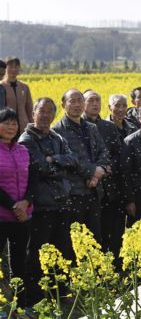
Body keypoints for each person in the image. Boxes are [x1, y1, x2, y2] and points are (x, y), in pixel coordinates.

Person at [18, 98, 79, 306]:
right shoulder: (27, 139)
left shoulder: (56, 137)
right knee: (37, 254)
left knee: (62, 251)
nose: (45, 116)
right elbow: (40, 169)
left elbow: (73, 160)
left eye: (49, 112)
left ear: (54, 115)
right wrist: (59, 164)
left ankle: (60, 294)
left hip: (61, 203)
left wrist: (54, 160)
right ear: (33, 112)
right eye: (41, 111)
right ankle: (35, 299)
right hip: (41, 205)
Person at [52, 89, 109, 243]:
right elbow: (67, 159)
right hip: (73, 193)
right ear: (63, 104)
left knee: (95, 238)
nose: (77, 105)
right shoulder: (57, 132)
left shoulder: (92, 127)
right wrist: (92, 171)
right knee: (73, 240)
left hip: (94, 192)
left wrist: (98, 174)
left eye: (80, 101)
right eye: (72, 101)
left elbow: (103, 152)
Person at [82, 90, 125, 255]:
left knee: (111, 230)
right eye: (90, 100)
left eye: (97, 100)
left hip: (109, 188)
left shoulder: (109, 127)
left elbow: (117, 153)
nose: (95, 104)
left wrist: (105, 169)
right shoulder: (79, 126)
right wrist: (93, 172)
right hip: (87, 188)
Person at [0, 108, 33, 304]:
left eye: (14, 123)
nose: (11, 127)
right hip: (2, 216)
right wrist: (14, 206)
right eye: (6, 123)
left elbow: (33, 179)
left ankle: (20, 305)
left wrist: (26, 202)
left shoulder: (23, 150)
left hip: (22, 217)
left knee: (20, 263)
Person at [1, 57, 33, 135]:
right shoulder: (1, 86)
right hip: (7, 127)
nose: (14, 69)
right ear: (5, 68)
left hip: (24, 126)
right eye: (11, 67)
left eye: (16, 67)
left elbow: (29, 109)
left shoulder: (24, 87)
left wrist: (33, 124)